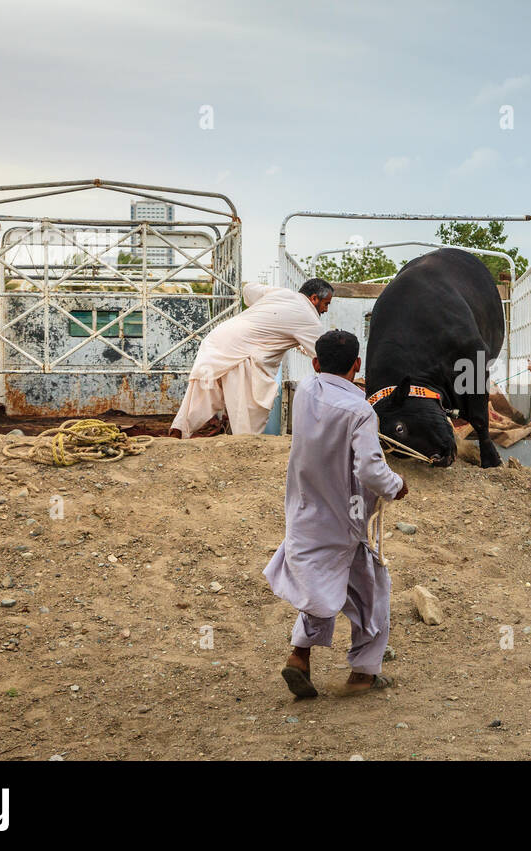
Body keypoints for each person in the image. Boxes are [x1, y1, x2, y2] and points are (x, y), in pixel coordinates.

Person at [263, 329, 408, 699]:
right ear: (357, 365)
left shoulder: (306, 392)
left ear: (314, 363)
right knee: (372, 593)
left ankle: (299, 655)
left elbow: (334, 403)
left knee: (320, 585)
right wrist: (397, 485)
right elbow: (371, 471)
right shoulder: (360, 411)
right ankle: (363, 673)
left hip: (306, 511)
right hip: (348, 517)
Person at [170, 278, 332, 437]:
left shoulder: (281, 293)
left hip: (216, 340)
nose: (326, 310)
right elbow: (326, 355)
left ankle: (175, 434)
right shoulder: (308, 318)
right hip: (244, 354)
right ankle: (243, 451)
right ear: (314, 298)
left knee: (199, 398)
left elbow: (248, 290)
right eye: (326, 304)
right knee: (247, 419)